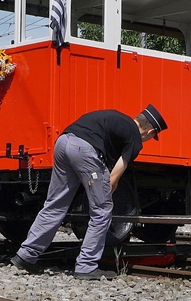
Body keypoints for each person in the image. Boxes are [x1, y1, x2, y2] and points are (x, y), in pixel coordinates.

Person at [12, 105, 167, 280]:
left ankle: (26, 255)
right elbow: (115, 176)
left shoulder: (117, 118)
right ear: (150, 131)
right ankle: (86, 266)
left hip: (63, 142)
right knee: (102, 210)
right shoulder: (134, 137)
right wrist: (106, 189)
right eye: (152, 136)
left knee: (55, 205)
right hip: (83, 150)